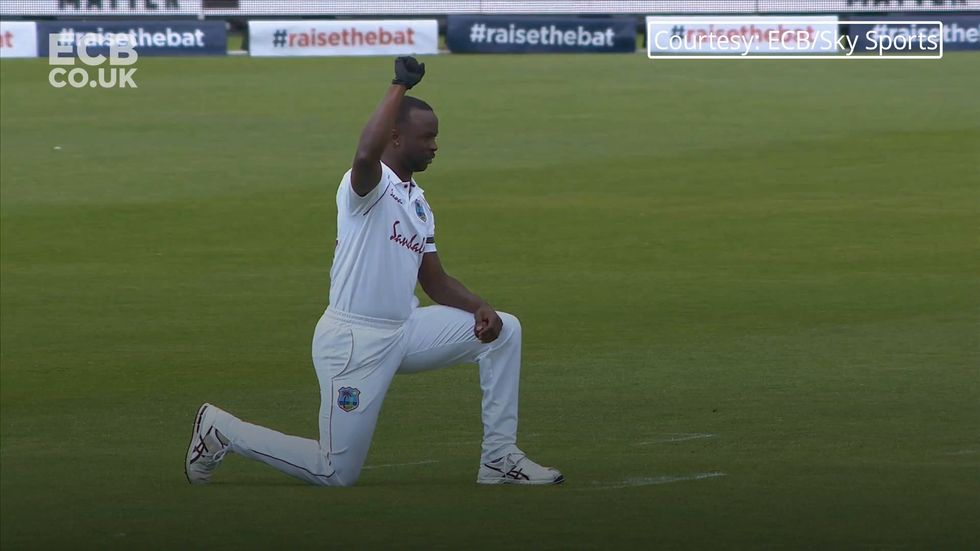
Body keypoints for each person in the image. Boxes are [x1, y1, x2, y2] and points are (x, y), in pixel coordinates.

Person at [184, 57, 563, 487]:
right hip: (354, 342)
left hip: (404, 331)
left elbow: (435, 282)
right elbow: (366, 151)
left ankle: (499, 458)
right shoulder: (366, 187)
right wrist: (398, 85)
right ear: (396, 138)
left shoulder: (417, 201)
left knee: (504, 332)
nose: (436, 146)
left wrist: (481, 306)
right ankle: (220, 430)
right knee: (335, 472)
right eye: (428, 137)